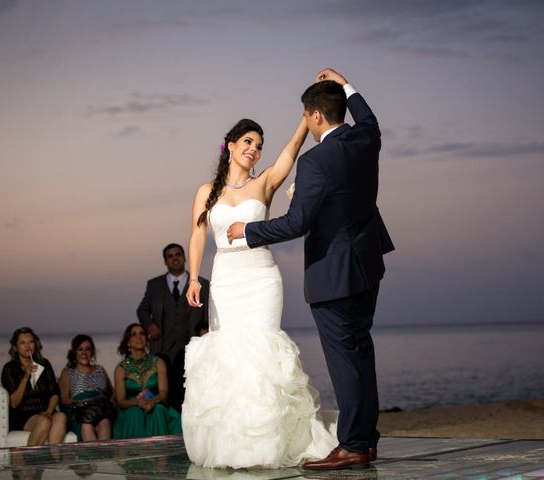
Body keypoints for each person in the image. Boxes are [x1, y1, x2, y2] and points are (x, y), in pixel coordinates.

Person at [227, 68, 394, 470]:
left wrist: (248, 231)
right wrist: (346, 82)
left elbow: (296, 223)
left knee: (345, 361)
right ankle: (365, 440)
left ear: (315, 116)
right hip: (368, 265)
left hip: (334, 275)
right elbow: (369, 118)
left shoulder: (316, 161)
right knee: (361, 354)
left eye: (306, 115)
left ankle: (353, 444)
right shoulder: (365, 139)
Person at [182, 114, 337, 468]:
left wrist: (304, 118)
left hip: (261, 277)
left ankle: (268, 445)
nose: (254, 149)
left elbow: (291, 152)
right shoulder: (206, 192)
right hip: (225, 277)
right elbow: (196, 235)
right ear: (231, 145)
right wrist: (193, 277)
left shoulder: (264, 183)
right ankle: (233, 444)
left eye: (259, 145)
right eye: (248, 142)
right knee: (229, 356)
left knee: (262, 352)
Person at [137, 243, 209, 411]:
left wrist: (205, 334)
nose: (175, 258)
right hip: (162, 347)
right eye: (170, 256)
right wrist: (150, 325)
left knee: (190, 391)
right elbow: (142, 310)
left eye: (178, 254)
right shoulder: (154, 285)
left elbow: (207, 313)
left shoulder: (201, 284)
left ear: (184, 258)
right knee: (164, 391)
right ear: (165, 261)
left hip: (191, 346)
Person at [112, 323, 181, 439]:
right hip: (131, 407)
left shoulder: (158, 363)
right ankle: (137, 455)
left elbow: (163, 393)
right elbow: (121, 401)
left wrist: (153, 401)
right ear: (128, 342)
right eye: (134, 334)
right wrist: (137, 403)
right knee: (134, 413)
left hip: (156, 403)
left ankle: (161, 455)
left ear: (146, 339)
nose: (139, 337)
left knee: (158, 410)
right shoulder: (121, 368)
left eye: (142, 334)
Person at [1, 327, 67, 446]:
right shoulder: (10, 368)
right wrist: (26, 376)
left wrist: (49, 411)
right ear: (15, 347)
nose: (28, 346)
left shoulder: (44, 363)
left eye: (31, 342)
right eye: (23, 342)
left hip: (45, 411)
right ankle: (31, 460)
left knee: (61, 416)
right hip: (23, 416)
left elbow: (54, 393)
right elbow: (14, 403)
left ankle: (54, 458)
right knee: (44, 421)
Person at [59, 334, 114, 441]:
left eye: (88, 349)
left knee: (105, 423)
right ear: (74, 352)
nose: (84, 353)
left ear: (92, 352)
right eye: (80, 349)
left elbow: (112, 392)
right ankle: (92, 456)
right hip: (80, 412)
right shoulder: (68, 372)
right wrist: (84, 403)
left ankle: (104, 456)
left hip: (100, 411)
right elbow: (64, 399)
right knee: (87, 426)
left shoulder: (100, 370)